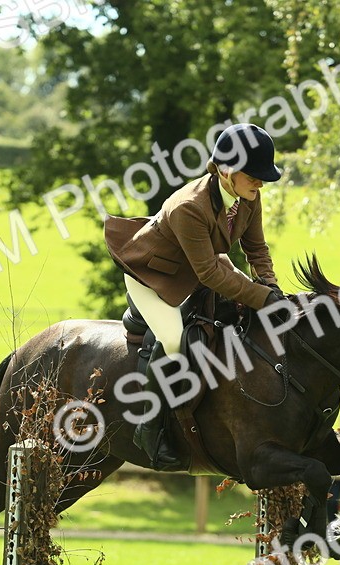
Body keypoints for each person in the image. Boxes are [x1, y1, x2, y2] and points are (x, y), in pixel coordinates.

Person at [104, 123, 284, 469]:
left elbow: (256, 249)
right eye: (255, 175)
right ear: (228, 171)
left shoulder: (248, 197)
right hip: (154, 277)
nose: (261, 183)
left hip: (199, 269)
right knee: (174, 339)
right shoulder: (190, 206)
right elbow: (210, 274)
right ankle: (149, 426)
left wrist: (271, 289)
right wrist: (261, 297)